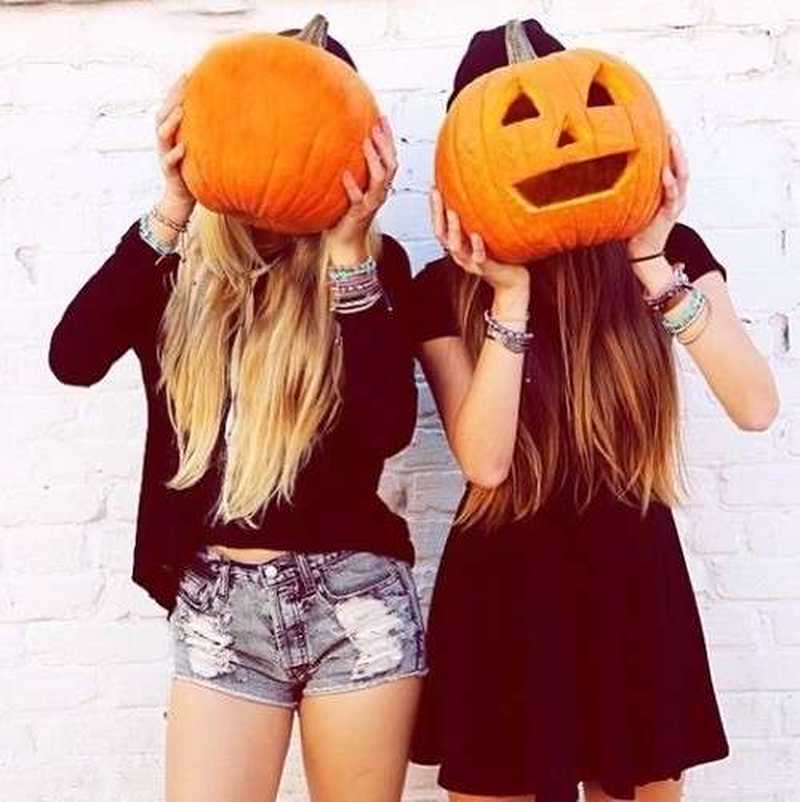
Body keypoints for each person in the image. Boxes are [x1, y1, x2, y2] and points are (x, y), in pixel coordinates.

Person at [48, 24, 426, 802]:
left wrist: (349, 256)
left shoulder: (369, 268)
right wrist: (173, 203)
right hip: (221, 605)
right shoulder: (172, 269)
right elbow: (73, 357)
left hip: (353, 599)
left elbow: (387, 427)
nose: (278, 147)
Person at [410, 19, 779, 802]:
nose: (552, 144)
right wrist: (511, 295)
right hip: (502, 591)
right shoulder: (443, 288)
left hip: (632, 580)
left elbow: (754, 405)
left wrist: (652, 262)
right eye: (511, 125)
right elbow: (486, 462)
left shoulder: (668, 253)